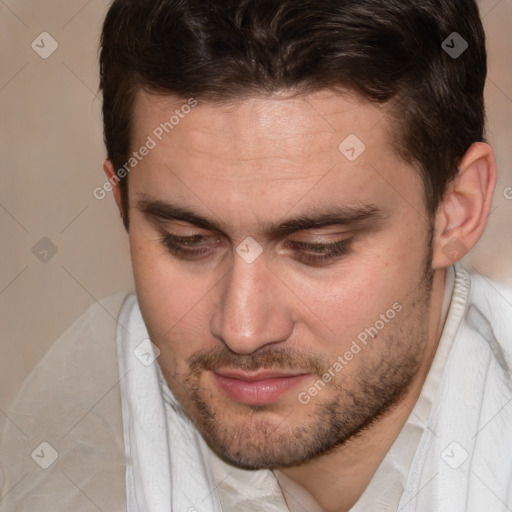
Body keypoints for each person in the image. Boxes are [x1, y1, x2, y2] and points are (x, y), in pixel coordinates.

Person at [2, 0, 512, 510]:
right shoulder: (76, 432)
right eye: (188, 240)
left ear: (457, 211)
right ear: (122, 204)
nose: (242, 330)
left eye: (318, 248)